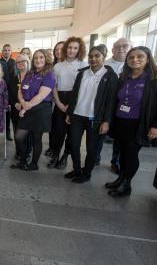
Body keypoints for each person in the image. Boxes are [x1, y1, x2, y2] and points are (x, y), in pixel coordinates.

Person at [106, 46, 157, 197]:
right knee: (122, 153)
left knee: (131, 154)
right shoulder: (124, 77)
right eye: (131, 57)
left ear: (148, 59)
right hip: (121, 121)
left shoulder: (155, 78)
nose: (135, 60)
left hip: (139, 124)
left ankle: (126, 185)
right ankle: (121, 178)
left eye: (140, 57)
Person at [64, 45, 118, 183]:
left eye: (97, 56)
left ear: (104, 57)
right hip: (77, 115)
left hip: (96, 118)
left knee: (91, 148)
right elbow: (74, 94)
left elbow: (111, 101)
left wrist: (106, 121)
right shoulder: (82, 73)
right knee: (74, 144)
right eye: (91, 56)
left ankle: (86, 173)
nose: (93, 59)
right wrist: (70, 113)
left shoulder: (110, 76)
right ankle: (76, 169)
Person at [11, 49, 55, 171]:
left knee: (36, 138)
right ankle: (23, 160)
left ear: (46, 59)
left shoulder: (49, 74)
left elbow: (41, 96)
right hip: (27, 107)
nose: (38, 60)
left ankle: (34, 164)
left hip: (40, 110)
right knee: (19, 137)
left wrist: (25, 107)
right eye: (35, 58)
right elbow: (20, 90)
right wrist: (23, 103)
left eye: (41, 57)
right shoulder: (30, 73)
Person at [49, 36, 87, 169]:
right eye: (69, 47)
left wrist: (72, 105)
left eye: (75, 48)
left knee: (72, 133)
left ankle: (65, 156)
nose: (71, 50)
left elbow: (83, 87)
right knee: (58, 132)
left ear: (79, 50)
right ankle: (55, 155)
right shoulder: (58, 66)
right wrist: (58, 103)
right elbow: (54, 86)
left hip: (76, 100)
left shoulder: (83, 65)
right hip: (60, 98)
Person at [95, 38, 132, 173]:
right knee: (100, 132)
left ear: (130, 48)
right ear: (112, 50)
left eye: (125, 46)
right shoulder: (104, 64)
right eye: (118, 47)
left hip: (125, 107)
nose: (121, 49)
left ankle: (116, 162)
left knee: (120, 135)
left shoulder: (134, 66)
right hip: (105, 105)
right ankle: (95, 157)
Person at [8, 54, 31, 161]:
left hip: (29, 109)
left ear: (28, 63)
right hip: (15, 109)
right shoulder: (13, 78)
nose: (20, 64)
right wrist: (15, 104)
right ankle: (18, 151)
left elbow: (35, 94)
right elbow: (9, 94)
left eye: (23, 61)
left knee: (27, 132)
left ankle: (27, 151)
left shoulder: (32, 77)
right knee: (17, 132)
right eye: (18, 62)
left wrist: (25, 104)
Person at [45, 41, 65, 158]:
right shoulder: (52, 65)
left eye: (61, 49)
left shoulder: (71, 65)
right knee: (51, 126)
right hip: (51, 99)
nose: (58, 52)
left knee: (59, 128)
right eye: (56, 49)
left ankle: (57, 151)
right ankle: (52, 147)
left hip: (62, 99)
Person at [0, 44, 16, 141]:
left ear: (11, 51)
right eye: (5, 50)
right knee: (0, 114)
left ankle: (8, 133)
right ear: (2, 51)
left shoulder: (14, 62)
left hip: (13, 92)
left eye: (8, 50)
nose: (6, 52)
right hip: (0, 92)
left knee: (10, 114)